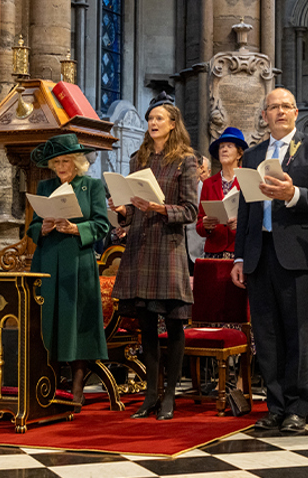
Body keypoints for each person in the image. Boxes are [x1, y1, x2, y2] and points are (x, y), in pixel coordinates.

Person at [230, 88, 308, 433]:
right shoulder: (253, 155)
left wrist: (294, 194)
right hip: (260, 253)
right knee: (267, 335)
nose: (280, 112)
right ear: (264, 115)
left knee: (297, 334)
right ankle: (274, 406)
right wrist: (239, 257)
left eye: (286, 107)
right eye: (273, 108)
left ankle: (297, 408)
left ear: (295, 112)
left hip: (299, 254)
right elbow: (246, 209)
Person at [110, 92, 198, 420]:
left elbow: (190, 211)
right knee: (146, 325)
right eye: (150, 119)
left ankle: (170, 395)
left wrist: (160, 208)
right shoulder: (138, 159)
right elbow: (134, 212)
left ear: (173, 124)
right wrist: (123, 209)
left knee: (174, 325)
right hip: (140, 248)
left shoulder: (185, 159)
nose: (153, 123)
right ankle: (150, 395)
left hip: (168, 247)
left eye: (159, 118)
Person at [27, 134, 111, 409]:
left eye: (66, 161)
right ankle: (48, 378)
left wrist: (77, 228)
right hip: (48, 260)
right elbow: (31, 227)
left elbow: (102, 225)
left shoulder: (92, 187)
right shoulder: (45, 185)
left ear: (77, 162)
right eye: (56, 162)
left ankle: (77, 384)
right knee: (47, 318)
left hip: (78, 261)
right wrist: (44, 228)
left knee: (77, 319)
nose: (61, 167)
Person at [197, 127, 247, 259]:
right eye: (221, 147)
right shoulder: (208, 184)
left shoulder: (248, 180)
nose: (224, 149)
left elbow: (257, 219)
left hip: (240, 251)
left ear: (239, 153)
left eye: (229, 146)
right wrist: (206, 225)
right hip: (214, 252)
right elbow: (199, 226)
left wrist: (241, 224)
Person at [186, 154, 211, 272]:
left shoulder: (207, 189)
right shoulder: (180, 186)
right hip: (178, 246)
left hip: (197, 248)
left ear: (201, 169)